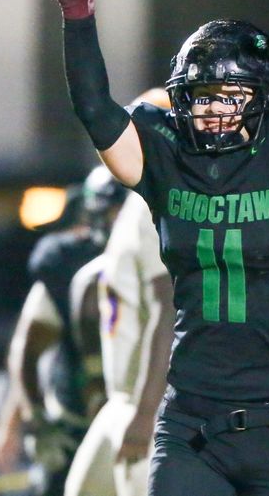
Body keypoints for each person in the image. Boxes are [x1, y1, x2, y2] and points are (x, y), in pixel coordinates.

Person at [48, 0, 269, 496]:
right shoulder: (166, 154)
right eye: (203, 96)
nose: (214, 109)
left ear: (262, 96)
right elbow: (95, 111)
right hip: (189, 419)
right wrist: (78, 18)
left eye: (229, 95)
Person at [0, 166, 126, 496]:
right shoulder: (68, 263)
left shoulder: (170, 259)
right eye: (118, 214)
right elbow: (27, 348)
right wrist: (34, 417)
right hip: (77, 421)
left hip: (149, 418)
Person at [64, 190, 173, 496]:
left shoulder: (151, 203)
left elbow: (168, 307)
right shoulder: (133, 206)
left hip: (149, 399)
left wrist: (146, 412)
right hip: (123, 398)